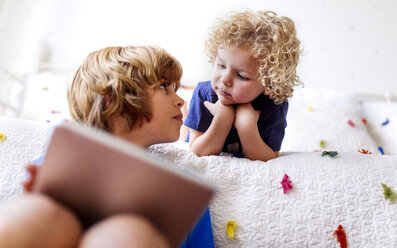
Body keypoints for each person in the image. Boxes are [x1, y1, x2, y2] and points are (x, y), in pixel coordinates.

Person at [0, 45, 214, 248]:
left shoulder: (184, 193)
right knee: (41, 214)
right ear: (111, 98)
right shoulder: (53, 168)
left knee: (129, 233)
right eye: (163, 86)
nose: (180, 100)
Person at [184, 10, 303, 162]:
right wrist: (222, 119)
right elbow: (197, 150)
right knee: (183, 133)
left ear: (269, 85)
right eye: (221, 65)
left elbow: (270, 157)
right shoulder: (204, 94)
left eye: (242, 76)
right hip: (201, 133)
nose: (225, 79)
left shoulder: (274, 104)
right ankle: (185, 117)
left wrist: (246, 126)